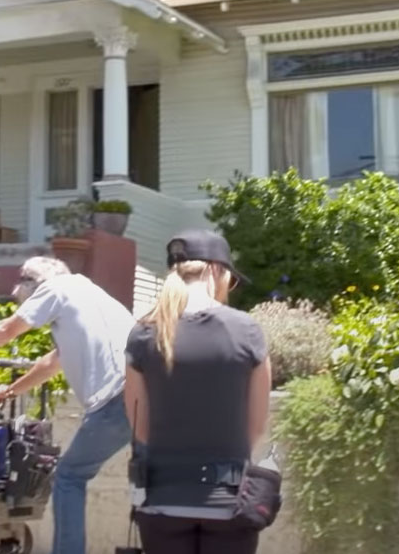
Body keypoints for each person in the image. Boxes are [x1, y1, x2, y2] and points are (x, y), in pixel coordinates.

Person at [0, 255, 136, 554]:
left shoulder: (55, 288)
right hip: (148, 398)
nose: (14, 293)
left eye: (19, 283)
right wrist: (12, 390)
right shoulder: (88, 294)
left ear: (34, 282)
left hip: (114, 399)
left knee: (69, 477)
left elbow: (6, 330)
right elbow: (52, 362)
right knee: (152, 477)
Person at [123, 229, 272, 554]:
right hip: (229, 502)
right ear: (217, 271)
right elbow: (257, 425)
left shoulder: (144, 334)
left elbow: (140, 427)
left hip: (161, 499)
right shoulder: (246, 331)